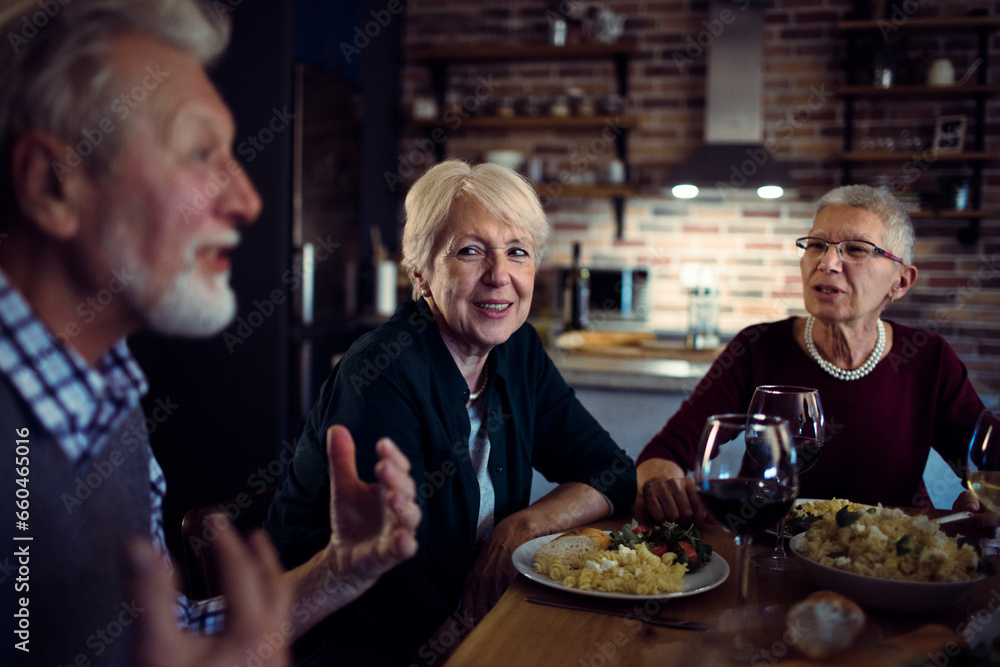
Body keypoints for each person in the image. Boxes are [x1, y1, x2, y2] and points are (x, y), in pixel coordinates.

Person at [0, 1, 420, 665]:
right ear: (53, 184)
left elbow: (174, 632)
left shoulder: (109, 396)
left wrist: (341, 569)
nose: (247, 200)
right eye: (200, 152)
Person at [265, 159, 637, 665]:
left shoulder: (518, 349)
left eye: (517, 252)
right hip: (347, 642)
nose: (499, 275)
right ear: (420, 271)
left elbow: (612, 471)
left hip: (468, 617)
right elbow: (389, 589)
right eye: (470, 252)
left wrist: (521, 529)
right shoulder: (383, 371)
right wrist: (478, 653)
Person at [636, 184, 990, 524]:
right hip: (769, 546)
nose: (828, 262)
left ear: (900, 281)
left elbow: (990, 462)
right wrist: (663, 488)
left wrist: (982, 498)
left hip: (890, 560)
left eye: (855, 249)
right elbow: (665, 453)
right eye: (816, 245)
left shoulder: (929, 358)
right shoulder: (757, 346)